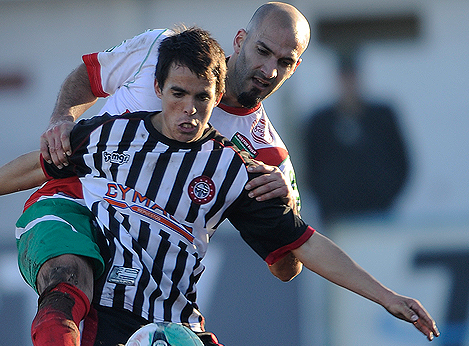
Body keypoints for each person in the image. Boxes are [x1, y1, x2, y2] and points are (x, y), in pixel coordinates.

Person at [0, 27, 439, 346]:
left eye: (202, 99)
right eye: (178, 94)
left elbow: (300, 245)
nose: (189, 110)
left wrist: (385, 295)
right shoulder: (115, 134)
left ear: (218, 99)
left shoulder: (239, 167)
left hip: (175, 326)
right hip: (109, 312)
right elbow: (42, 164)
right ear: (159, 89)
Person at [40, 2, 311, 213]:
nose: (270, 71)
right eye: (262, 51)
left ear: (296, 67)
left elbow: (289, 255)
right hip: (73, 203)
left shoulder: (269, 155)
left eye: (285, 62)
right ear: (240, 40)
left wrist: (286, 204)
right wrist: (61, 118)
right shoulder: (160, 49)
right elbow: (90, 76)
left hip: (146, 254)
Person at [303, 55, 410, 224]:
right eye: (344, 78)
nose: (349, 84)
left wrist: (387, 195)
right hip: (336, 215)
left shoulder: (382, 116)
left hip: (379, 212)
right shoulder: (320, 122)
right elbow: (309, 165)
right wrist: (326, 200)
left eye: (352, 77)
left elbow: (401, 161)